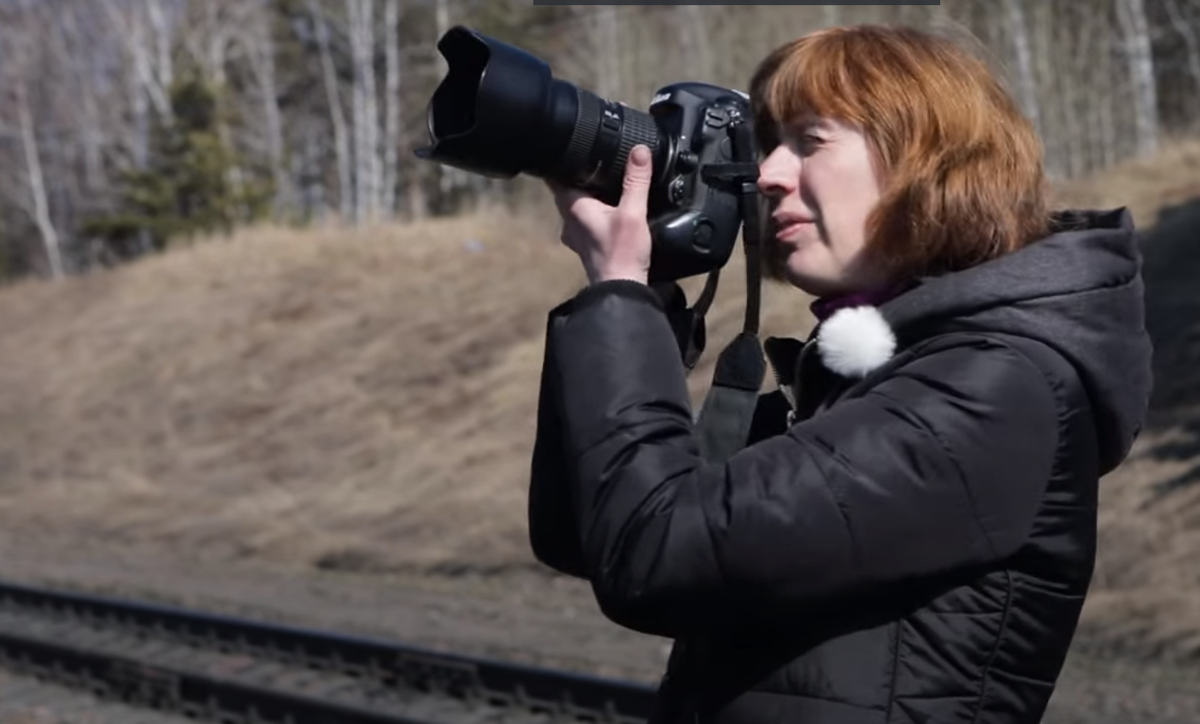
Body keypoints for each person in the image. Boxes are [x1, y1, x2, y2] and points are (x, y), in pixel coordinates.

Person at [528, 23, 1153, 724]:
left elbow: (654, 557)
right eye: (770, 145)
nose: (767, 174)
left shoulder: (996, 388)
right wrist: (644, 296)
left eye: (811, 141)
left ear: (925, 159)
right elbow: (586, 532)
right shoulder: (873, 379)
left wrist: (621, 295)